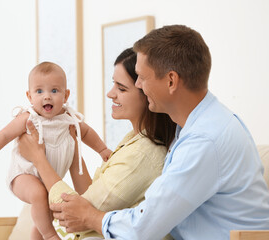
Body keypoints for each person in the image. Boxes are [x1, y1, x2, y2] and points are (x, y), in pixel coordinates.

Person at [48, 25, 269, 239]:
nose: (140, 86)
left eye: (142, 77)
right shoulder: (199, 126)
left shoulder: (204, 140)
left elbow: (143, 227)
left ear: (171, 80)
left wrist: (90, 217)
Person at [18, 48, 176, 240]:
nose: (110, 94)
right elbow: (90, 197)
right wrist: (74, 149)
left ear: (148, 95)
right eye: (113, 84)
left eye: (121, 88)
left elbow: (76, 213)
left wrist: (38, 158)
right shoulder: (132, 140)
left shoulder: (143, 154)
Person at [0, 61, 112, 240]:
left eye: (54, 91)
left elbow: (87, 133)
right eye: (39, 91)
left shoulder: (69, 119)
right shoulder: (28, 118)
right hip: (23, 176)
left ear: (66, 95)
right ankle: (50, 235)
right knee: (39, 194)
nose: (47, 97)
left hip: (50, 180)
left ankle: (37, 236)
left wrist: (102, 149)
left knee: (51, 205)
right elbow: (4, 135)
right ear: (29, 96)